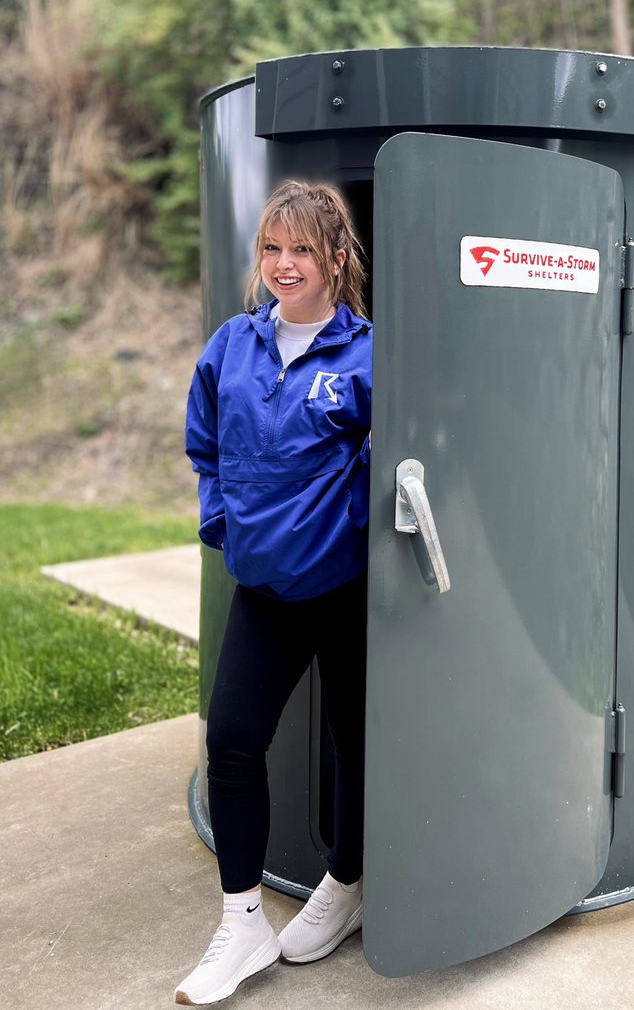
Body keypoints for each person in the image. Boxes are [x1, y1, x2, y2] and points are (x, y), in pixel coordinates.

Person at [178, 180, 372, 1006]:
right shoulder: (233, 344)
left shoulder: (370, 354)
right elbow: (206, 445)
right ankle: (243, 919)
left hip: (350, 588)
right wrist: (225, 524)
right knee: (231, 740)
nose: (283, 265)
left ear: (336, 258)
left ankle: (346, 884)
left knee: (355, 744)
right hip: (263, 587)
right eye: (271, 249)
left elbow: (401, 460)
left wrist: (351, 525)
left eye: (300, 249)